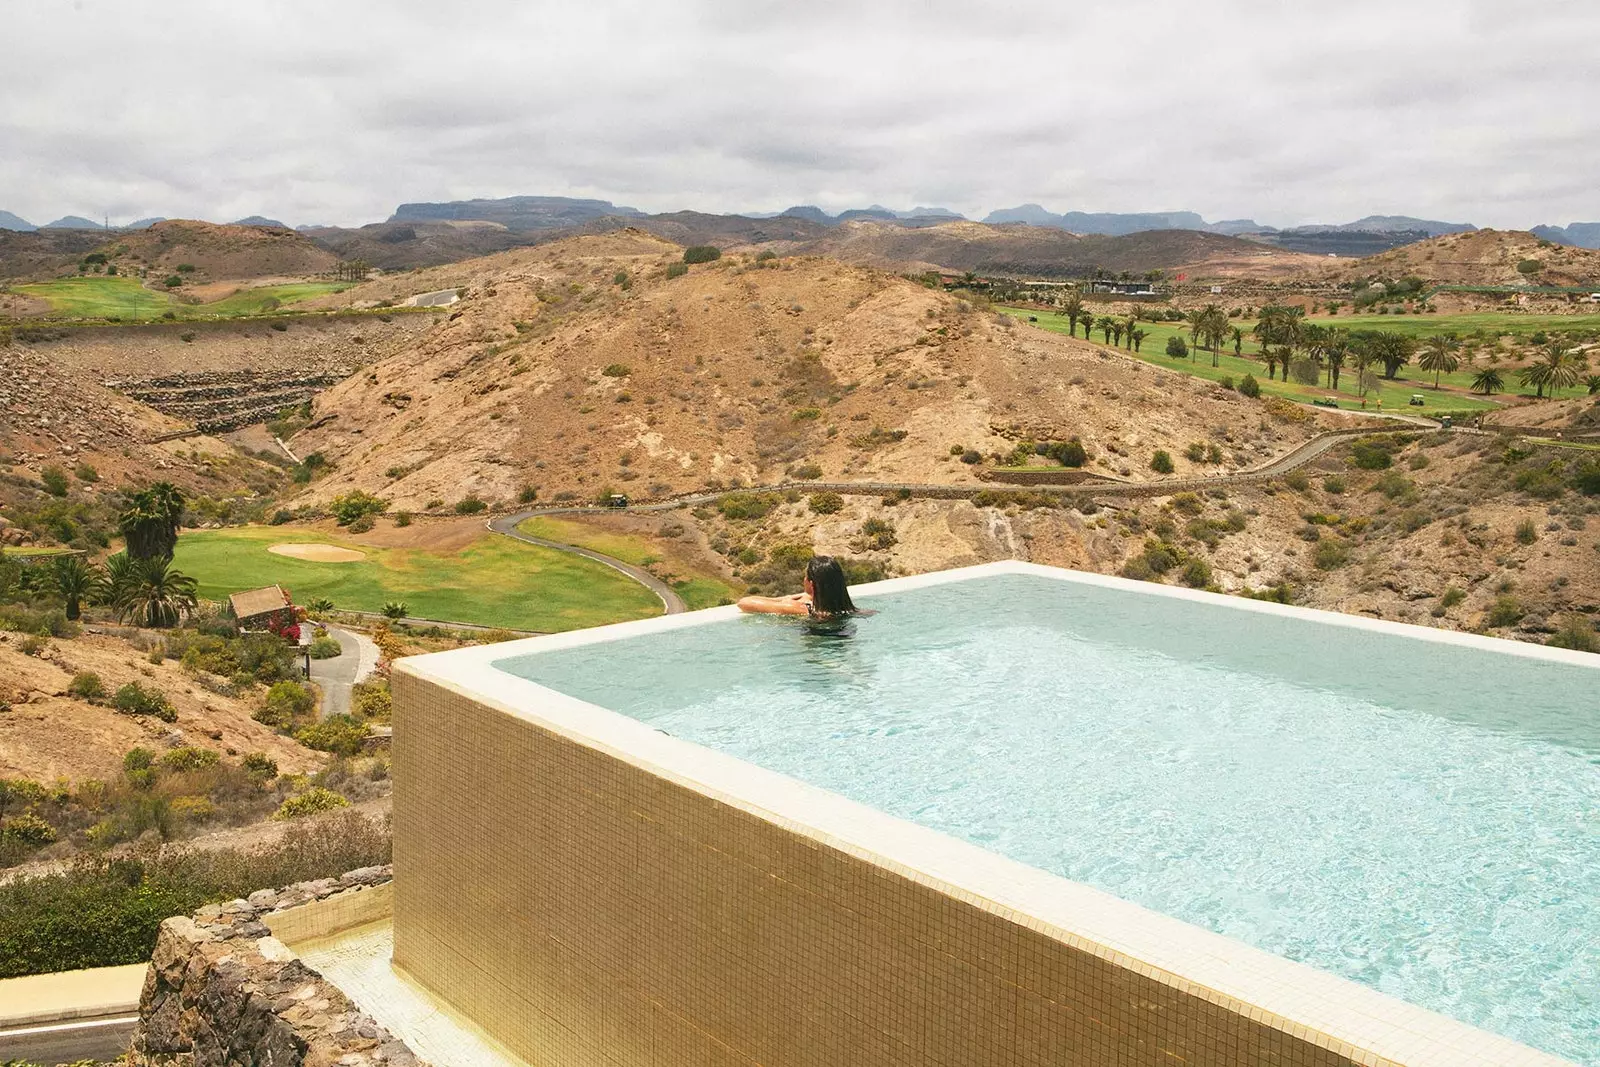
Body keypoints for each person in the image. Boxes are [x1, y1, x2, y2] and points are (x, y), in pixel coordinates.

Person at [737, 555, 861, 620]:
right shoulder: (848, 610)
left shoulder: (801, 609)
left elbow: (745, 603)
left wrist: (785, 599)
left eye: (805, 577)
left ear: (811, 585)